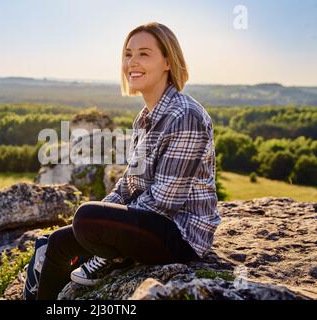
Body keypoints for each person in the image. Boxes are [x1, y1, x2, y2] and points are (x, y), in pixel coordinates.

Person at [36, 22, 221, 300]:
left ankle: (112, 255)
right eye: (127, 54)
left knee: (86, 218)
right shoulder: (144, 118)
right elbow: (130, 183)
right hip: (150, 221)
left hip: (181, 235)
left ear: (168, 61)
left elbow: (164, 202)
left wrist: (102, 227)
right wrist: (106, 214)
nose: (132, 62)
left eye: (144, 54)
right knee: (57, 241)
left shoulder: (185, 116)